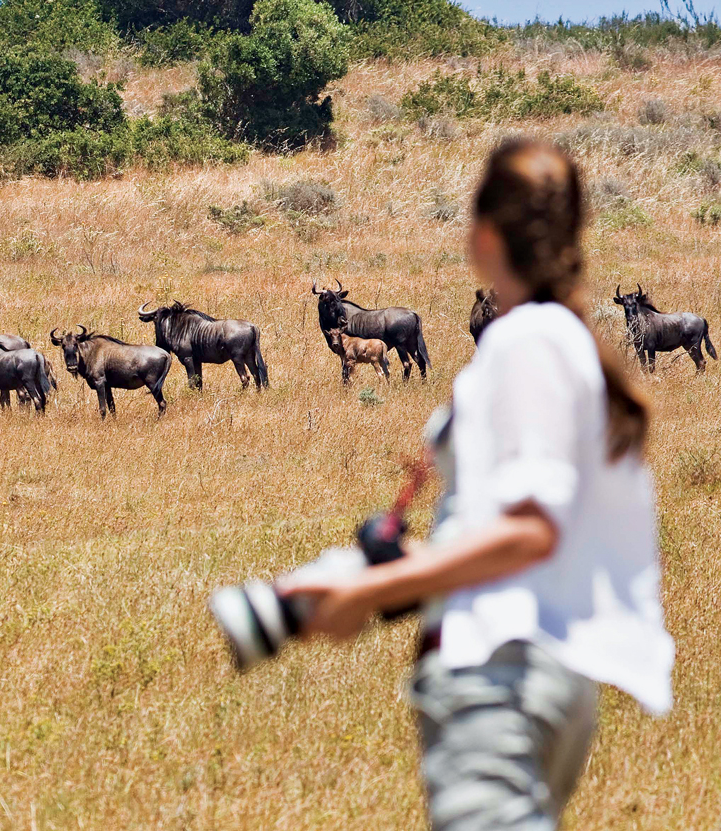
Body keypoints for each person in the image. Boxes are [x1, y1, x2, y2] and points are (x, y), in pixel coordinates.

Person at [279, 137, 675, 830]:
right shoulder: (561, 338)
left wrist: (367, 591)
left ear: (487, 233)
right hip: (534, 670)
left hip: (499, 670)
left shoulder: (525, 341)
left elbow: (530, 530)